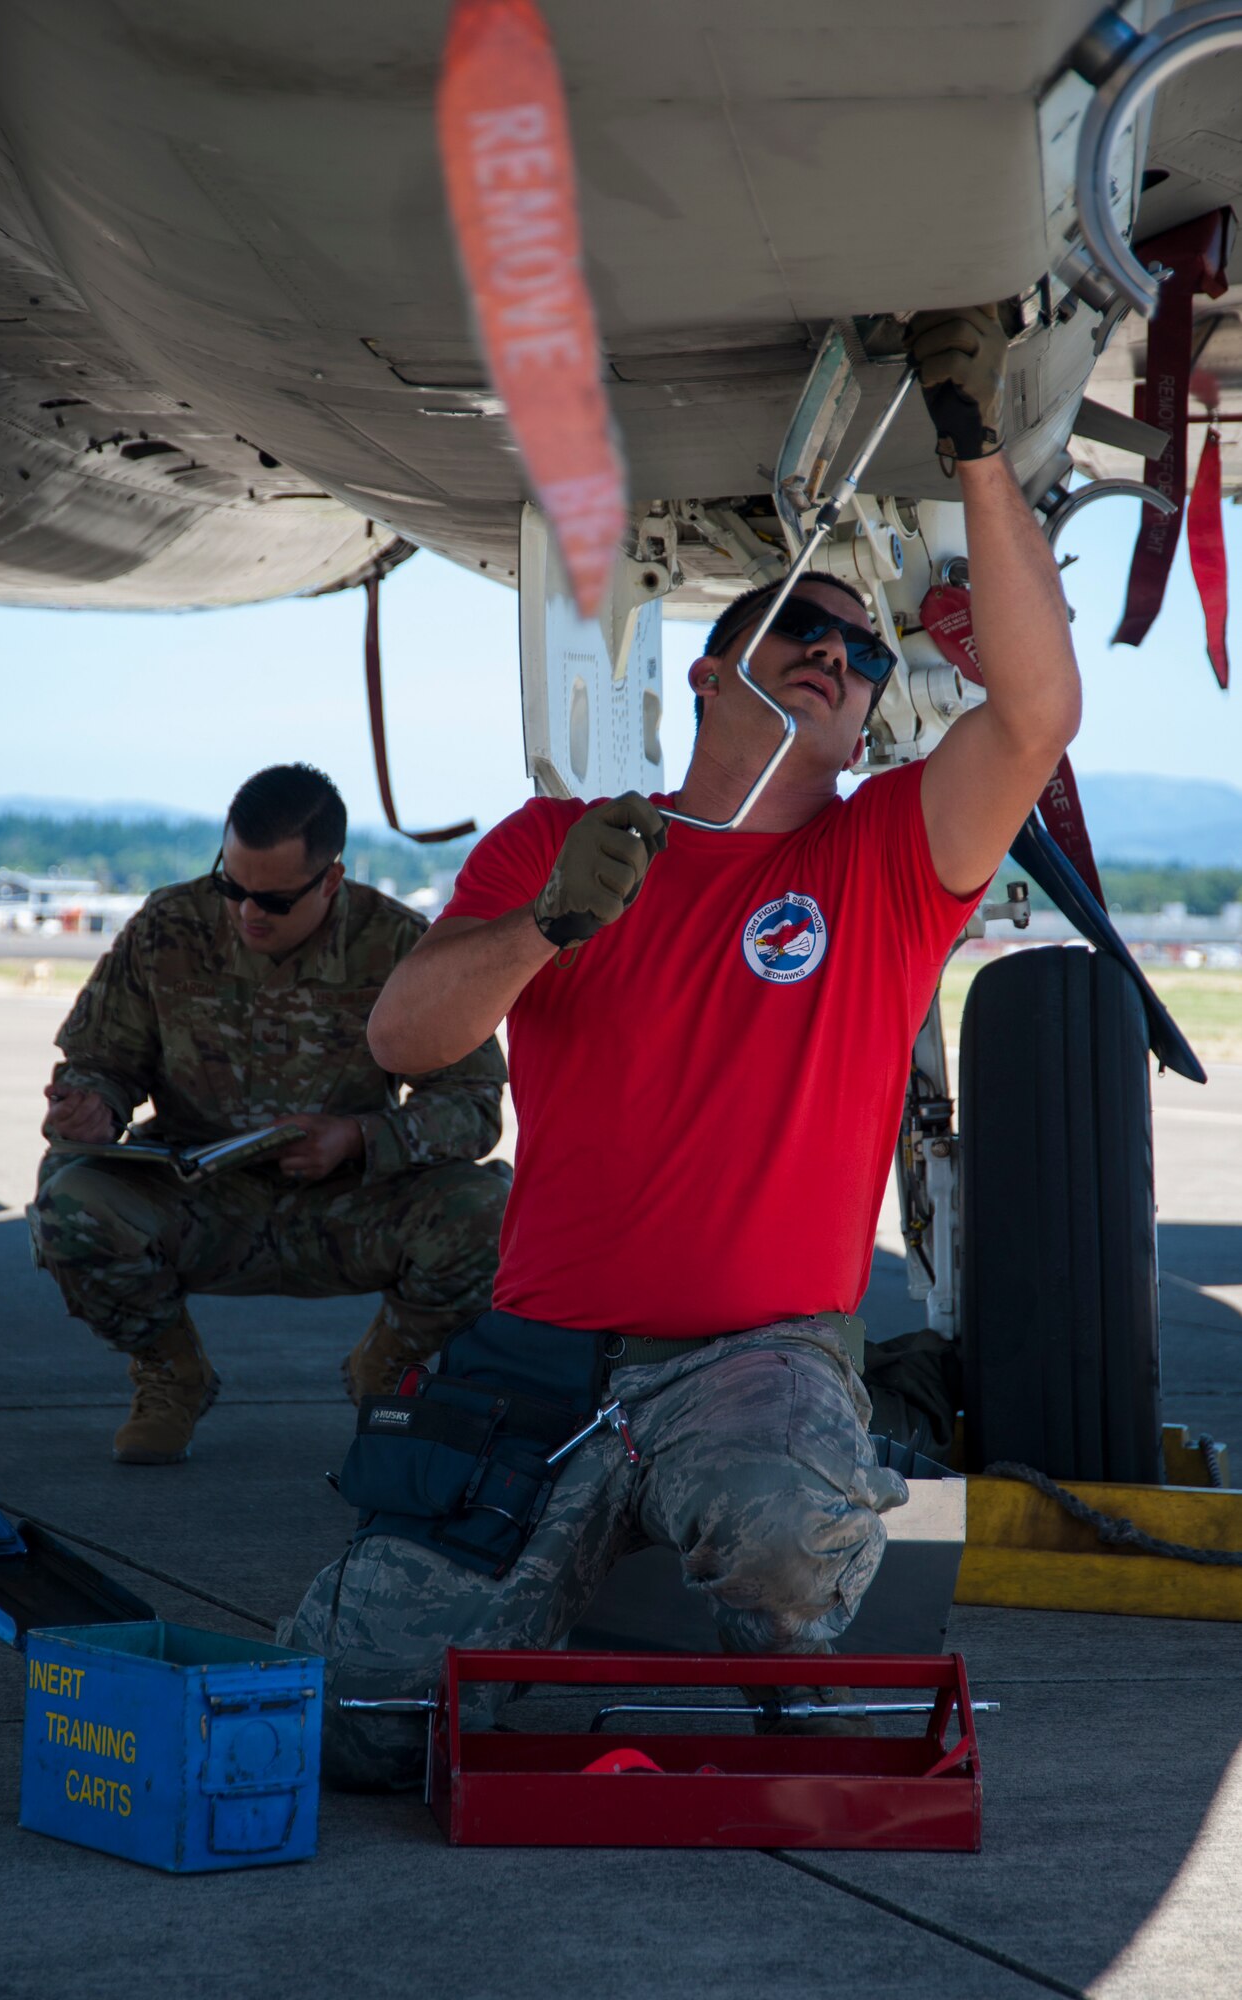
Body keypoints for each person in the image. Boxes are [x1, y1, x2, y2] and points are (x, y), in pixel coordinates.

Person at [282, 306, 1082, 1787]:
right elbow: (401, 1034)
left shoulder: (878, 863)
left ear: (865, 719)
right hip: (541, 1355)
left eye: (858, 649)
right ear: (710, 677)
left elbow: (1032, 710)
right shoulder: (558, 842)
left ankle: (728, 1661)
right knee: (360, 1726)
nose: (836, 658)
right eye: (801, 631)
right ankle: (560, 1586)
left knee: (783, 1539)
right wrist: (551, 925)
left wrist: (971, 444)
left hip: (752, 1362)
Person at [28, 763, 509, 1466]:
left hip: (347, 1205)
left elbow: (470, 1106)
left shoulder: (399, 946)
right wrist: (93, 1106)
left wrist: (359, 1137)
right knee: (70, 1199)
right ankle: (170, 1374)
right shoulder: (168, 927)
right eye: (232, 886)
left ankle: (386, 1369)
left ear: (331, 880)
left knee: (493, 1217)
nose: (247, 912)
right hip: (199, 1201)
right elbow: (101, 1059)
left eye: (275, 900)